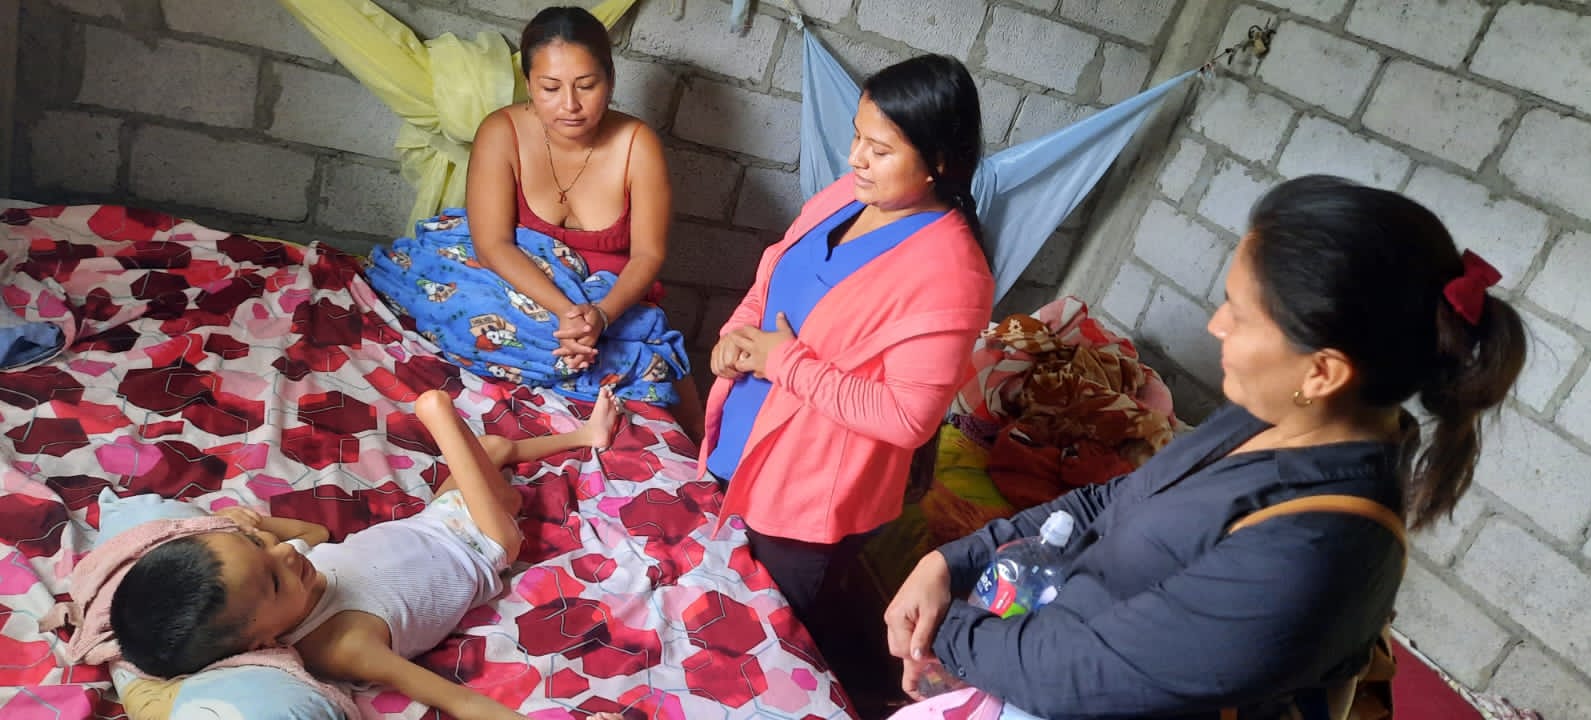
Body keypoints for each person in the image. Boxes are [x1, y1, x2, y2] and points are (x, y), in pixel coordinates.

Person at [884, 175, 1527, 719]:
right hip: (1038, 650)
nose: (1216, 325)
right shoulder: (1269, 418)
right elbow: (1118, 499)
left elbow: (1083, 675)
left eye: (1239, 315)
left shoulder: (1316, 552)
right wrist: (953, 563)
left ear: (1321, 372)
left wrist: (947, 631)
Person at [697, 54, 994, 644]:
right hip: (739, 447)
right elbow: (773, 278)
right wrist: (736, 334)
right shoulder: (845, 197)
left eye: (879, 150)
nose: (855, 158)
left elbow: (907, 417)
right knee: (699, 608)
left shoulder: (952, 273)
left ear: (938, 162)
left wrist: (784, 362)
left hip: (803, 503)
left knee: (751, 645)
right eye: (857, 137)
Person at [110, 389, 620, 720]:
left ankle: (586, 436)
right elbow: (459, 700)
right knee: (471, 450)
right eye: (273, 578)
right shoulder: (339, 645)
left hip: (433, 519)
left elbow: (313, 532)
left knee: (492, 451)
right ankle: (438, 417)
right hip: (483, 547)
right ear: (261, 641)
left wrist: (258, 525)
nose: (286, 553)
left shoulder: (293, 574)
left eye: (259, 547)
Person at [465, 6, 703, 435]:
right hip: (523, 286)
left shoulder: (637, 145)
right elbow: (492, 244)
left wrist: (600, 317)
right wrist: (567, 313)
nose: (570, 105)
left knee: (649, 359)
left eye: (587, 86)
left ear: (610, 81)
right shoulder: (501, 133)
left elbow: (648, 255)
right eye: (550, 88)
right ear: (528, 84)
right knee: (479, 318)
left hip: (611, 301)